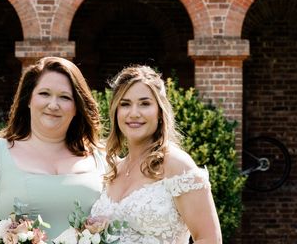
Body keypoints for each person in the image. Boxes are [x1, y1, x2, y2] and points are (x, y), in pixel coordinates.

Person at [0, 56, 105, 243]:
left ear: (77, 107)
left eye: (65, 97)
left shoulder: (101, 159)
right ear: (28, 99)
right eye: (44, 94)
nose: (53, 105)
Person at [90, 65, 222, 244]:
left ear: (160, 112)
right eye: (125, 104)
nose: (134, 113)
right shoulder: (114, 170)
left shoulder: (176, 164)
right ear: (116, 112)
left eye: (145, 104)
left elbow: (209, 239)